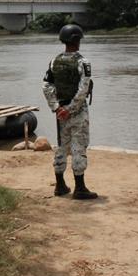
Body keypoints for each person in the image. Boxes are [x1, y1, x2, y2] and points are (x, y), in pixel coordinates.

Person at [42, 24, 97, 200]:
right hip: (77, 111)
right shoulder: (83, 62)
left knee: (62, 147)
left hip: (60, 113)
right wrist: (71, 108)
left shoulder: (54, 61)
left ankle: (59, 185)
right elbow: (83, 89)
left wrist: (57, 108)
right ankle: (80, 188)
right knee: (79, 146)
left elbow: (46, 86)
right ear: (76, 40)